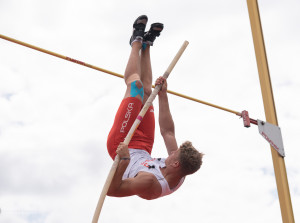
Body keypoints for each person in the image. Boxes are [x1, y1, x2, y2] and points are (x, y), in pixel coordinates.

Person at [106, 15, 203, 200]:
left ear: (175, 165)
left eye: (173, 156)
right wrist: (163, 95)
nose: (172, 153)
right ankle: (147, 44)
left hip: (122, 144)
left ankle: (136, 40)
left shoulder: (149, 183)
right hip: (143, 146)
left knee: (136, 86)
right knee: (148, 91)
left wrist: (124, 161)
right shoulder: (181, 167)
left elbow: (112, 190)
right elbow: (168, 132)